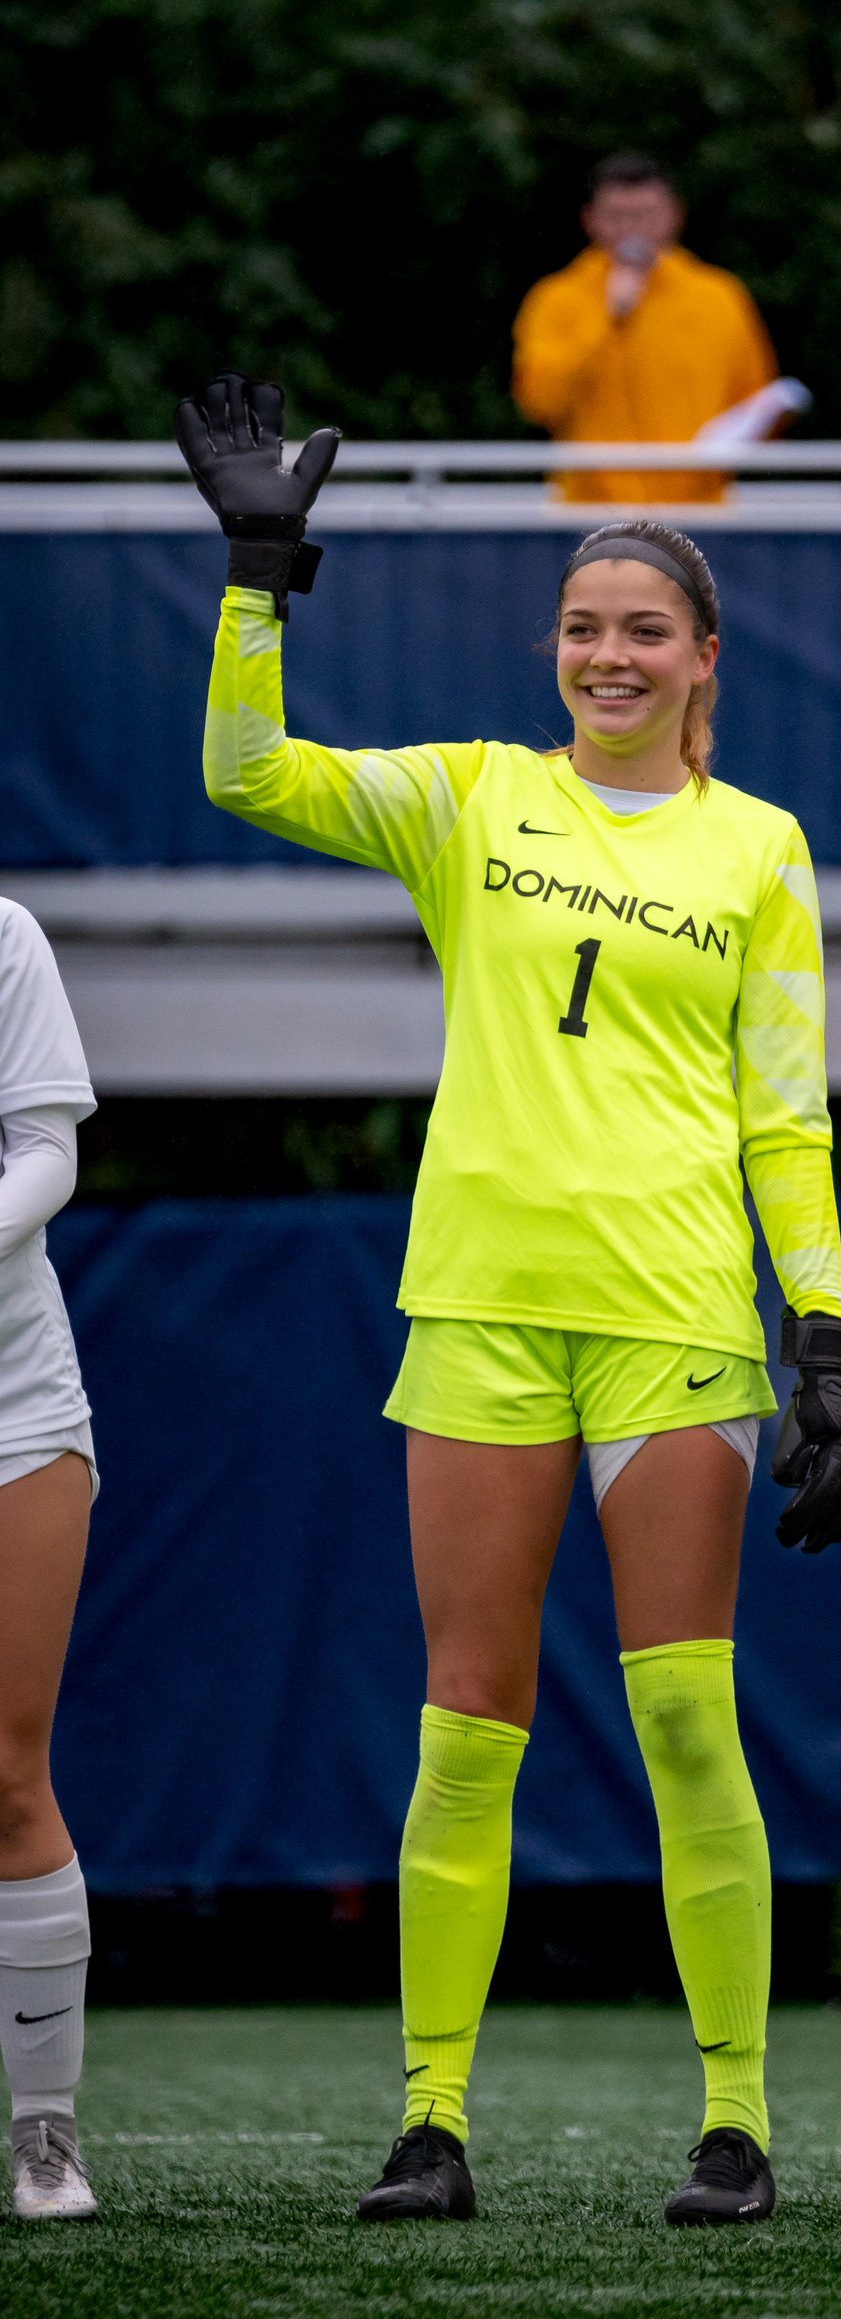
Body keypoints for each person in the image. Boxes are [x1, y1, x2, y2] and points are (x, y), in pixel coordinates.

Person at [175, 373, 841, 2228]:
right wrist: (257, 579)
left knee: (687, 1719)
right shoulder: (476, 800)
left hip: (674, 1321)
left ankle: (736, 2126)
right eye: (582, 627)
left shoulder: (761, 847)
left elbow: (785, 1117)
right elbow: (247, 773)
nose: (608, 655)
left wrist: (821, 1334)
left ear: (704, 658)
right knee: (465, 1724)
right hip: (479, 1306)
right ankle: (430, 2125)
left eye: (644, 629)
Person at [0, 905, 99, 2221]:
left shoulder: (6, 936)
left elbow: (45, 1153)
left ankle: (46, 2138)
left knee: (9, 1777)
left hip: (16, 1405)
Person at [511, 153, 779, 503]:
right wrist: (607, 319)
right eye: (616, 216)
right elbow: (539, 402)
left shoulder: (720, 296)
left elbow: (754, 403)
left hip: (698, 512)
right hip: (593, 514)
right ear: (590, 221)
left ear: (674, 215)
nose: (631, 228)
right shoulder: (558, 298)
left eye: (645, 215)